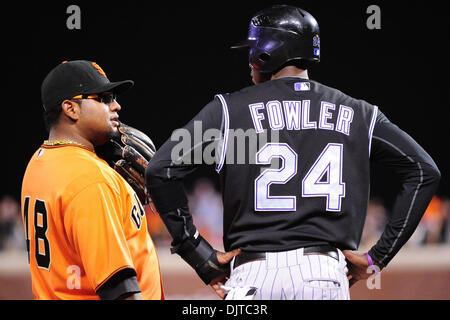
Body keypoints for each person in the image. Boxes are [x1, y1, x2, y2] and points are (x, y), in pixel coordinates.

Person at [145, 5, 440, 300]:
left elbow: (160, 170)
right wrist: (378, 258)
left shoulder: (228, 110)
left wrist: (197, 253)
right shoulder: (359, 113)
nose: (249, 62)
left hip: (252, 275)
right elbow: (424, 171)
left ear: (267, 53)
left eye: (253, 50)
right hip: (323, 274)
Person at [21, 60, 164, 300]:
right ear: (71, 109)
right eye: (104, 98)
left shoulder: (38, 162)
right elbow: (119, 289)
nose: (116, 105)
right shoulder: (91, 178)